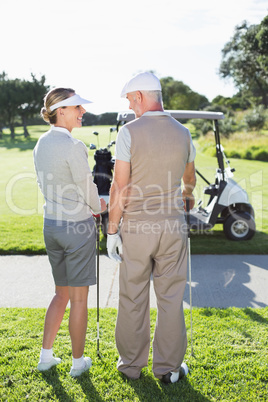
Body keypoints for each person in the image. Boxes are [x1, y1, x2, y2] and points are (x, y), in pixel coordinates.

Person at [107, 72, 196, 383]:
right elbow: (190, 182)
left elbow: (120, 188)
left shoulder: (129, 132)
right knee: (171, 297)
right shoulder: (184, 133)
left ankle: (131, 366)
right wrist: (185, 198)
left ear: (142, 97)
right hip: (173, 227)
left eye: (132, 100)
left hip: (137, 229)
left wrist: (112, 230)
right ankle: (169, 368)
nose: (131, 107)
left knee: (133, 297)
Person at [33, 87, 106, 377]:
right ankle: (78, 364)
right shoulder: (74, 147)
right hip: (77, 228)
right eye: (77, 107)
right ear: (60, 111)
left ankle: (45, 357)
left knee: (60, 294)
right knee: (78, 299)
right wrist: (101, 205)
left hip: (51, 226)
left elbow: (44, 186)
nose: (82, 112)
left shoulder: (40, 144)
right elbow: (89, 193)